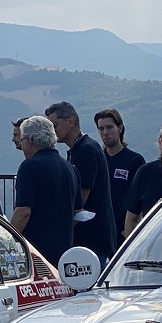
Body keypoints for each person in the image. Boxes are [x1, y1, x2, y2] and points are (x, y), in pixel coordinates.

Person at [46, 100, 116, 264]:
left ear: (71, 121)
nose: (52, 131)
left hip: (93, 239)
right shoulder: (77, 149)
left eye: (55, 125)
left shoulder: (86, 150)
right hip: (87, 238)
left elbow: (81, 198)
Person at [9, 115, 79, 266]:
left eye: (22, 140)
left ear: (30, 141)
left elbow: (23, 212)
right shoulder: (69, 167)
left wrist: (8, 240)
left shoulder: (29, 167)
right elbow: (77, 211)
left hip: (36, 252)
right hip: (64, 250)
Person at [94, 108, 145, 243]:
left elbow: (141, 197)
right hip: (100, 233)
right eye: (101, 129)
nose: (105, 133)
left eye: (109, 127)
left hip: (123, 232)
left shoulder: (135, 161)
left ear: (120, 128)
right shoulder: (97, 160)